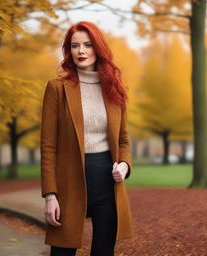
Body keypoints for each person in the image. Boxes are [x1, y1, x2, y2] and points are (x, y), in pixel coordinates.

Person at [40, 21, 134, 256]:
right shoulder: (57, 88)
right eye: (74, 46)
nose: (81, 51)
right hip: (68, 180)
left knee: (103, 251)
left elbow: (123, 140)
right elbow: (48, 146)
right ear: (68, 51)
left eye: (87, 45)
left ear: (98, 48)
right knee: (62, 252)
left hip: (107, 181)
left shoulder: (114, 88)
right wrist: (50, 196)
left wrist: (124, 165)